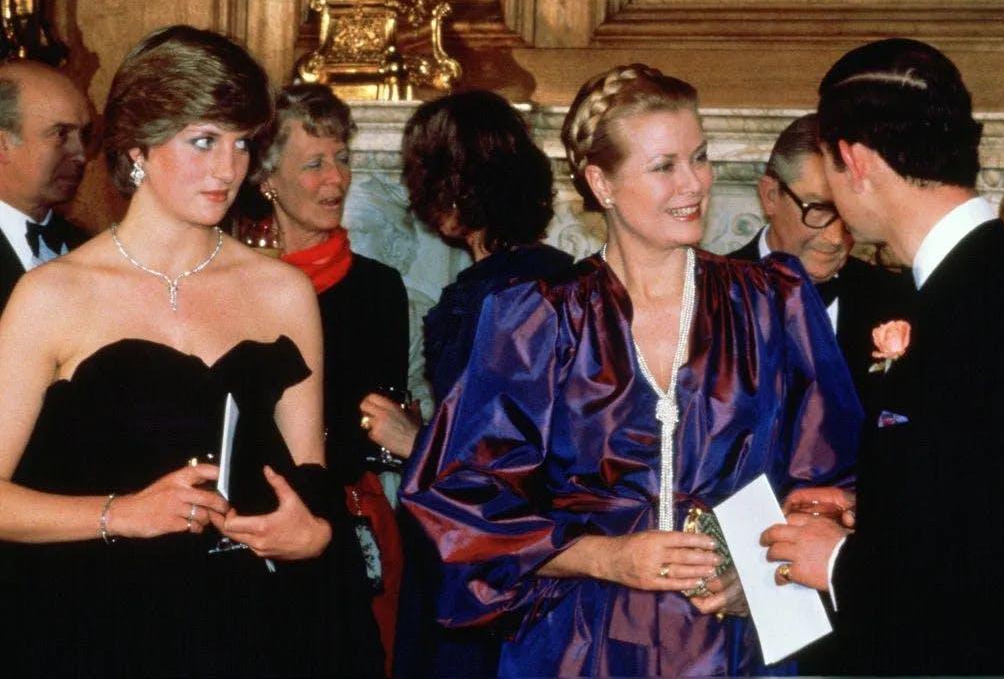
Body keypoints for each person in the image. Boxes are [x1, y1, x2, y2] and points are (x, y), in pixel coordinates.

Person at [400, 64, 861, 677]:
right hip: (579, 643)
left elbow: (833, 475)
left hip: (734, 647)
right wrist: (605, 557)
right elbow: (459, 496)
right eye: (663, 166)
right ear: (601, 182)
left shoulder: (772, 302)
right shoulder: (538, 318)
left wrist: (763, 574)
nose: (694, 183)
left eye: (699, 157)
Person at [0, 26, 382, 676]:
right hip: (93, 630)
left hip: (252, 630)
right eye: (203, 141)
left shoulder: (283, 291)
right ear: (137, 148)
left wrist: (312, 532)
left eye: (241, 143)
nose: (228, 168)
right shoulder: (53, 295)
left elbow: (311, 476)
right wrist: (122, 513)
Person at [761, 38, 1004, 675]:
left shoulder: (982, 306)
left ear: (854, 160)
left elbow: (996, 573)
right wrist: (871, 510)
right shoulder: (971, 283)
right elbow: (964, 489)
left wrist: (841, 562)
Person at [360, 89, 574, 678]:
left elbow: (498, 465)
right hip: (557, 559)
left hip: (490, 572)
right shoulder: (568, 277)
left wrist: (414, 441)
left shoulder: (481, 300)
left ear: (448, 189)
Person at [252, 81, 408, 674]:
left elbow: (373, 419)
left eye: (342, 159)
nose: (335, 180)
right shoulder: (235, 283)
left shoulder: (377, 288)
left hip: (341, 522)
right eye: (314, 163)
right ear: (266, 178)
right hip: (249, 519)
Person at [729, 112, 913, 417]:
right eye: (817, 209)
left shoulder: (897, 299)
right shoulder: (706, 293)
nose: (834, 238)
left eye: (848, 212)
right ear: (770, 196)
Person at [0, 60, 91, 313]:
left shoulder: (87, 247)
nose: (82, 155)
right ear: (3, 144)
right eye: (61, 134)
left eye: (84, 135)